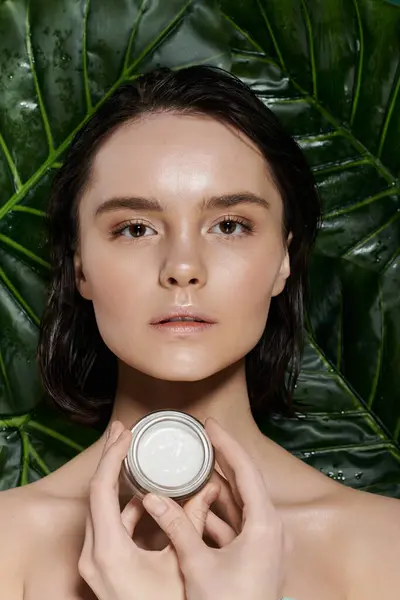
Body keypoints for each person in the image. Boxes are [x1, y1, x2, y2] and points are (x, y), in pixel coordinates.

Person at [0, 65, 399, 600]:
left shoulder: (385, 546)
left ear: (283, 258)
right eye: (135, 228)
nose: (183, 266)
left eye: (230, 225)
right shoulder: (11, 545)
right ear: (81, 268)